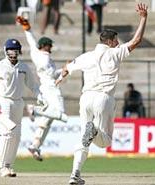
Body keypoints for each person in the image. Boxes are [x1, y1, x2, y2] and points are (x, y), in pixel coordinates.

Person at [56, 3, 148, 184]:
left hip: (86, 98)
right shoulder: (114, 53)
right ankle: (95, 131)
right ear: (109, 41)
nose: (118, 43)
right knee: (104, 142)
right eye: (116, 40)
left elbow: (67, 67)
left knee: (84, 140)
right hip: (103, 98)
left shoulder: (87, 56)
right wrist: (143, 18)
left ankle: (75, 174)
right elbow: (136, 41)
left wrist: (60, 78)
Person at [0, 39, 40, 177]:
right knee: (7, 133)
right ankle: (3, 166)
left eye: (15, 50)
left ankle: (9, 165)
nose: (13, 52)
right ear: (6, 51)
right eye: (10, 50)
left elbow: (33, 86)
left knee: (16, 136)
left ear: (19, 51)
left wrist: (41, 96)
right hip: (2, 102)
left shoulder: (23, 67)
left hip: (18, 102)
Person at [16, 16, 68, 161]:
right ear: (44, 45)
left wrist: (64, 69)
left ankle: (35, 146)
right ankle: (34, 109)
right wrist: (26, 29)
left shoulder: (42, 55)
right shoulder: (40, 56)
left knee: (47, 121)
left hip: (47, 87)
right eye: (49, 45)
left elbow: (31, 40)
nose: (51, 47)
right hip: (50, 89)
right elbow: (32, 41)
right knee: (60, 113)